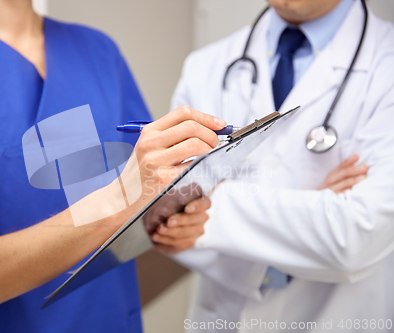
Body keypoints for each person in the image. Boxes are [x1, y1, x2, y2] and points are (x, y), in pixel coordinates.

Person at [0, 0, 223, 332]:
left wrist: (165, 223)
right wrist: (121, 197)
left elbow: (136, 201)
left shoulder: (99, 50)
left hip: (112, 317)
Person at [166, 0, 394, 331]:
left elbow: (357, 235)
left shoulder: (387, 64)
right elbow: (165, 223)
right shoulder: (206, 66)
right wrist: (316, 209)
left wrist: (206, 207)